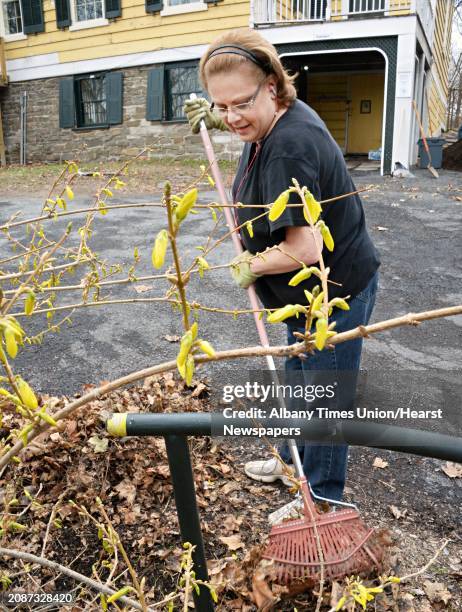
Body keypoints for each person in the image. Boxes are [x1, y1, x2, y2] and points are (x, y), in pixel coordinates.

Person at [184, 28, 380, 502]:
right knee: (297, 381)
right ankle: (292, 460)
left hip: (332, 293)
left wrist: (251, 264)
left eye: (240, 104)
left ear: (272, 85)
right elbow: (242, 117)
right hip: (303, 298)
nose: (231, 117)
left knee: (324, 401)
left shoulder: (289, 146)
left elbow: (305, 248)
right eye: (220, 105)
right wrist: (224, 117)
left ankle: (321, 497)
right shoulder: (272, 118)